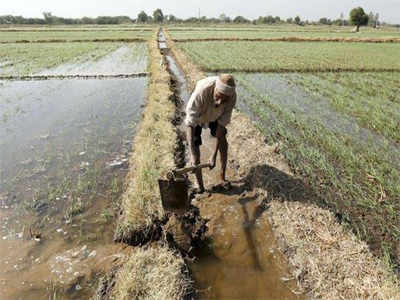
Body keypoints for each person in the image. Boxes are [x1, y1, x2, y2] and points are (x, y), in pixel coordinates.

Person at [185, 74, 236, 193]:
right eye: (218, 96)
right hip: (200, 113)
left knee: (223, 139)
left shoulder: (232, 98)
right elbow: (189, 124)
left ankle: (222, 177)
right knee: (195, 147)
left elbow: (220, 128)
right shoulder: (201, 91)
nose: (219, 101)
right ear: (215, 89)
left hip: (215, 115)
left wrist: (213, 155)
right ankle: (200, 186)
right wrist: (192, 153)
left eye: (224, 99)